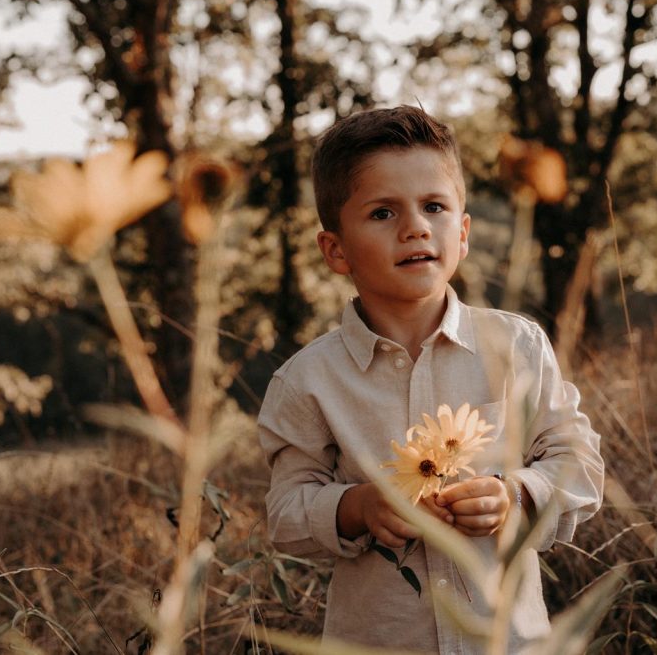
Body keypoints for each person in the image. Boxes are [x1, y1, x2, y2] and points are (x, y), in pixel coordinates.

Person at [258, 105, 604, 653]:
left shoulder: (516, 347)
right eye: (382, 213)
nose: (415, 226)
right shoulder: (308, 381)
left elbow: (578, 462)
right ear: (335, 250)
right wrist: (360, 507)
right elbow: (286, 513)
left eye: (434, 206)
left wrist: (514, 496)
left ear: (462, 233)